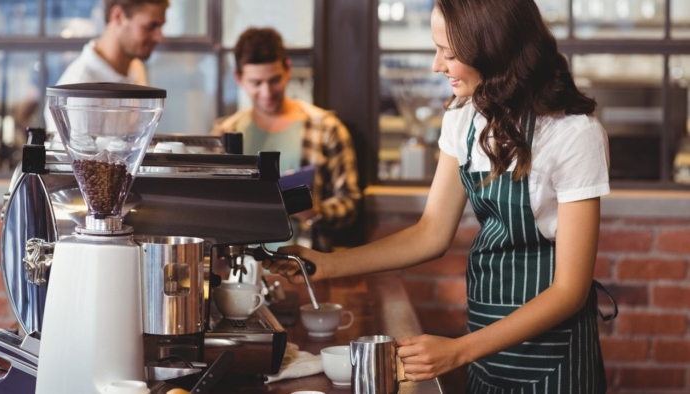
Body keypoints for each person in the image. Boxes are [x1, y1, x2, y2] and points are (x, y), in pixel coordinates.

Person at [264, 0, 616, 392]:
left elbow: (570, 289)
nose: (437, 65)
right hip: (486, 344)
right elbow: (431, 233)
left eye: (448, 53)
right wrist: (326, 265)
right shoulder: (464, 118)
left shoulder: (573, 135)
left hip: (554, 356)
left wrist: (459, 351)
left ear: (493, 49)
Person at [211, 27, 361, 252]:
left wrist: (315, 212)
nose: (267, 92)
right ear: (239, 78)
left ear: (288, 70)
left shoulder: (326, 128)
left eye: (274, 80)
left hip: (303, 259)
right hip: (240, 263)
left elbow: (349, 202)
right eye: (256, 83)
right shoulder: (224, 132)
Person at [43, 0, 168, 131]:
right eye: (151, 26)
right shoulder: (77, 95)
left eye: (161, 27)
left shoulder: (135, 68)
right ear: (118, 16)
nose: (160, 37)